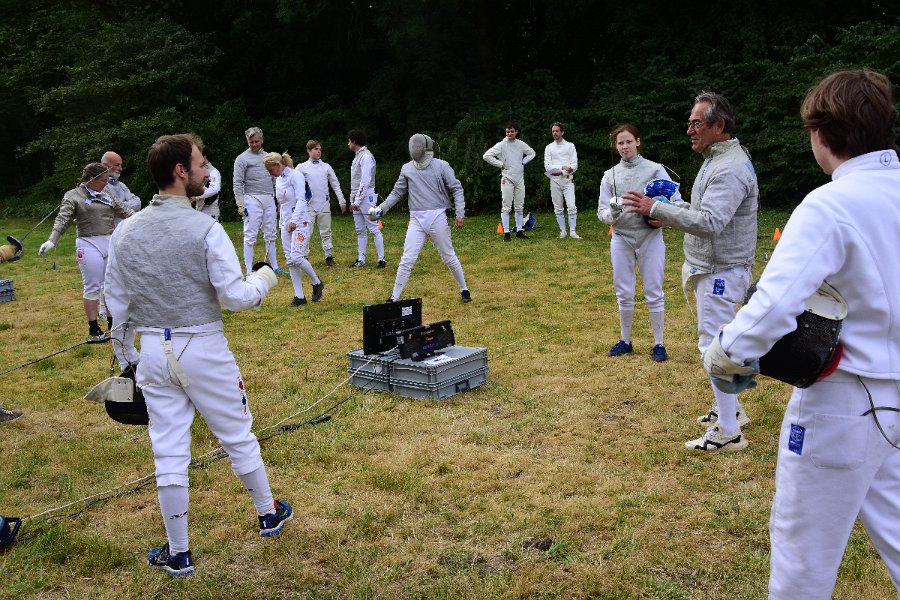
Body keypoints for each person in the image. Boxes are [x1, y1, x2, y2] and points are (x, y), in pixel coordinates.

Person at [703, 69, 900, 599]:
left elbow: (774, 303)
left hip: (843, 406)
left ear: (822, 133)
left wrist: (726, 353)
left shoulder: (831, 205)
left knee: (802, 560)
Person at [105, 133, 292, 577]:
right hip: (203, 348)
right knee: (237, 435)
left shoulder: (124, 231)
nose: (207, 171)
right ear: (180, 171)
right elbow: (237, 298)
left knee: (169, 453)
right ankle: (268, 514)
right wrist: (264, 278)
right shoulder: (206, 228)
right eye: (201, 164)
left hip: (153, 353)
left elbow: (117, 305)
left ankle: (180, 553)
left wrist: (127, 356)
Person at [625, 91, 758, 452]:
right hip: (716, 268)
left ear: (719, 126)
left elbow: (711, 223)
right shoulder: (719, 159)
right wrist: (667, 211)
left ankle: (729, 432)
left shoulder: (729, 167)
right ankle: (732, 409)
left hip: (721, 271)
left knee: (714, 348)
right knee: (720, 344)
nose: (689, 130)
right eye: (689, 123)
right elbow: (702, 211)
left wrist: (657, 209)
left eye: (696, 123)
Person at [598, 123, 681, 363]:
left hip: (649, 237)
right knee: (623, 291)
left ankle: (659, 343)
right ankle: (625, 341)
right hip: (621, 237)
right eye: (620, 143)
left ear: (637, 142)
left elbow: (677, 203)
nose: (625, 146)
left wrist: (662, 218)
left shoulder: (655, 169)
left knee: (654, 289)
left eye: (628, 141)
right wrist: (613, 212)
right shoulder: (609, 175)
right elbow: (601, 213)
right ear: (616, 146)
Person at [38, 163, 134, 341]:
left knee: (110, 286)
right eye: (103, 180)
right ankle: (93, 328)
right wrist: (52, 240)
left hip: (109, 242)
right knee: (92, 286)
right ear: (91, 179)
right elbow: (63, 219)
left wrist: (145, 220)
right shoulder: (73, 195)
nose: (106, 184)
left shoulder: (107, 194)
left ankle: (113, 324)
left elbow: (125, 211)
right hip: (88, 243)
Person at [373, 133, 471, 303]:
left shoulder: (441, 166)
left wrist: (460, 212)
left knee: (448, 256)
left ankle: (464, 289)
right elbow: (397, 193)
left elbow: (456, 188)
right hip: (416, 219)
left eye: (418, 146)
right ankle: (394, 297)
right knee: (407, 259)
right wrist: (381, 209)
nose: (415, 149)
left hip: (437, 216)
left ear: (426, 148)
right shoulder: (407, 168)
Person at [263, 151, 324, 306]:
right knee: (290, 260)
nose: (270, 173)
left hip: (300, 222)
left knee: (297, 257)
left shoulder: (296, 176)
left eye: (270, 170)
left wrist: (294, 221)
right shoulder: (278, 180)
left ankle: (316, 282)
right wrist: (281, 224)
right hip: (286, 224)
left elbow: (301, 200)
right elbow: (282, 205)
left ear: (277, 165)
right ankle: (299, 296)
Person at [233, 127, 281, 275]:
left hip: (269, 198)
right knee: (250, 234)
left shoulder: (268, 157)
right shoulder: (242, 159)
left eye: (256, 141)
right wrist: (240, 204)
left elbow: (275, 178)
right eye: (251, 142)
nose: (254, 144)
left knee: (271, 233)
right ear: (247, 141)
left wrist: (278, 198)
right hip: (251, 198)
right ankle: (249, 270)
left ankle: (275, 266)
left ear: (262, 140)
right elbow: (237, 182)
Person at [483, 122, 536, 241]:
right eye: (508, 131)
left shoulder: (521, 144)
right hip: (507, 178)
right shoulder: (501, 145)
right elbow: (486, 156)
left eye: (512, 131)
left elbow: (532, 153)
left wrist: (523, 162)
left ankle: (519, 231)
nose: (509, 133)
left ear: (516, 132)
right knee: (506, 206)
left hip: (519, 179)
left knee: (519, 206)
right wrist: (500, 164)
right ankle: (506, 233)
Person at [298, 140, 347, 266]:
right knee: (306, 231)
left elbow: (335, 184)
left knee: (326, 231)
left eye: (320, 149)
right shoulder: (301, 167)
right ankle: (304, 257)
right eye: (316, 149)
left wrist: (341, 200)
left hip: (324, 203)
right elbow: (294, 184)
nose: (319, 151)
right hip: (308, 205)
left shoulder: (326, 167)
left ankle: (328, 256)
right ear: (309, 151)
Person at [346, 129, 385, 268]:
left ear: (354, 141)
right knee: (360, 230)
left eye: (349, 141)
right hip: (357, 198)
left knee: (374, 228)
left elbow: (365, 181)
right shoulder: (358, 156)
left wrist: (356, 201)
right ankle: (361, 259)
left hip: (368, 198)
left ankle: (381, 260)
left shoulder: (366, 157)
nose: (348, 144)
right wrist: (354, 201)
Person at [544, 122, 580, 239]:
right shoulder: (549, 148)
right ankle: (563, 231)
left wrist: (562, 172)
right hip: (554, 181)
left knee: (571, 206)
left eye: (557, 131)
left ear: (562, 132)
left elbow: (574, 165)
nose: (555, 133)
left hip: (568, 180)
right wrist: (563, 167)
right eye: (553, 131)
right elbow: (548, 167)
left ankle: (573, 232)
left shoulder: (570, 146)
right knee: (558, 207)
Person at [101, 151, 142, 226]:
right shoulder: (99, 186)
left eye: (120, 165)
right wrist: (122, 206)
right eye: (117, 165)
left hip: (126, 228)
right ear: (105, 166)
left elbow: (137, 203)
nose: (120, 169)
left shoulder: (121, 185)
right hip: (110, 230)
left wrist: (119, 206)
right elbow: (108, 209)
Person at [194, 148, 222, 220]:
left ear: (204, 157)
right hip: (199, 208)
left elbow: (215, 189)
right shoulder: (197, 170)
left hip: (210, 209)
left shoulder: (214, 171)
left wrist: (196, 197)